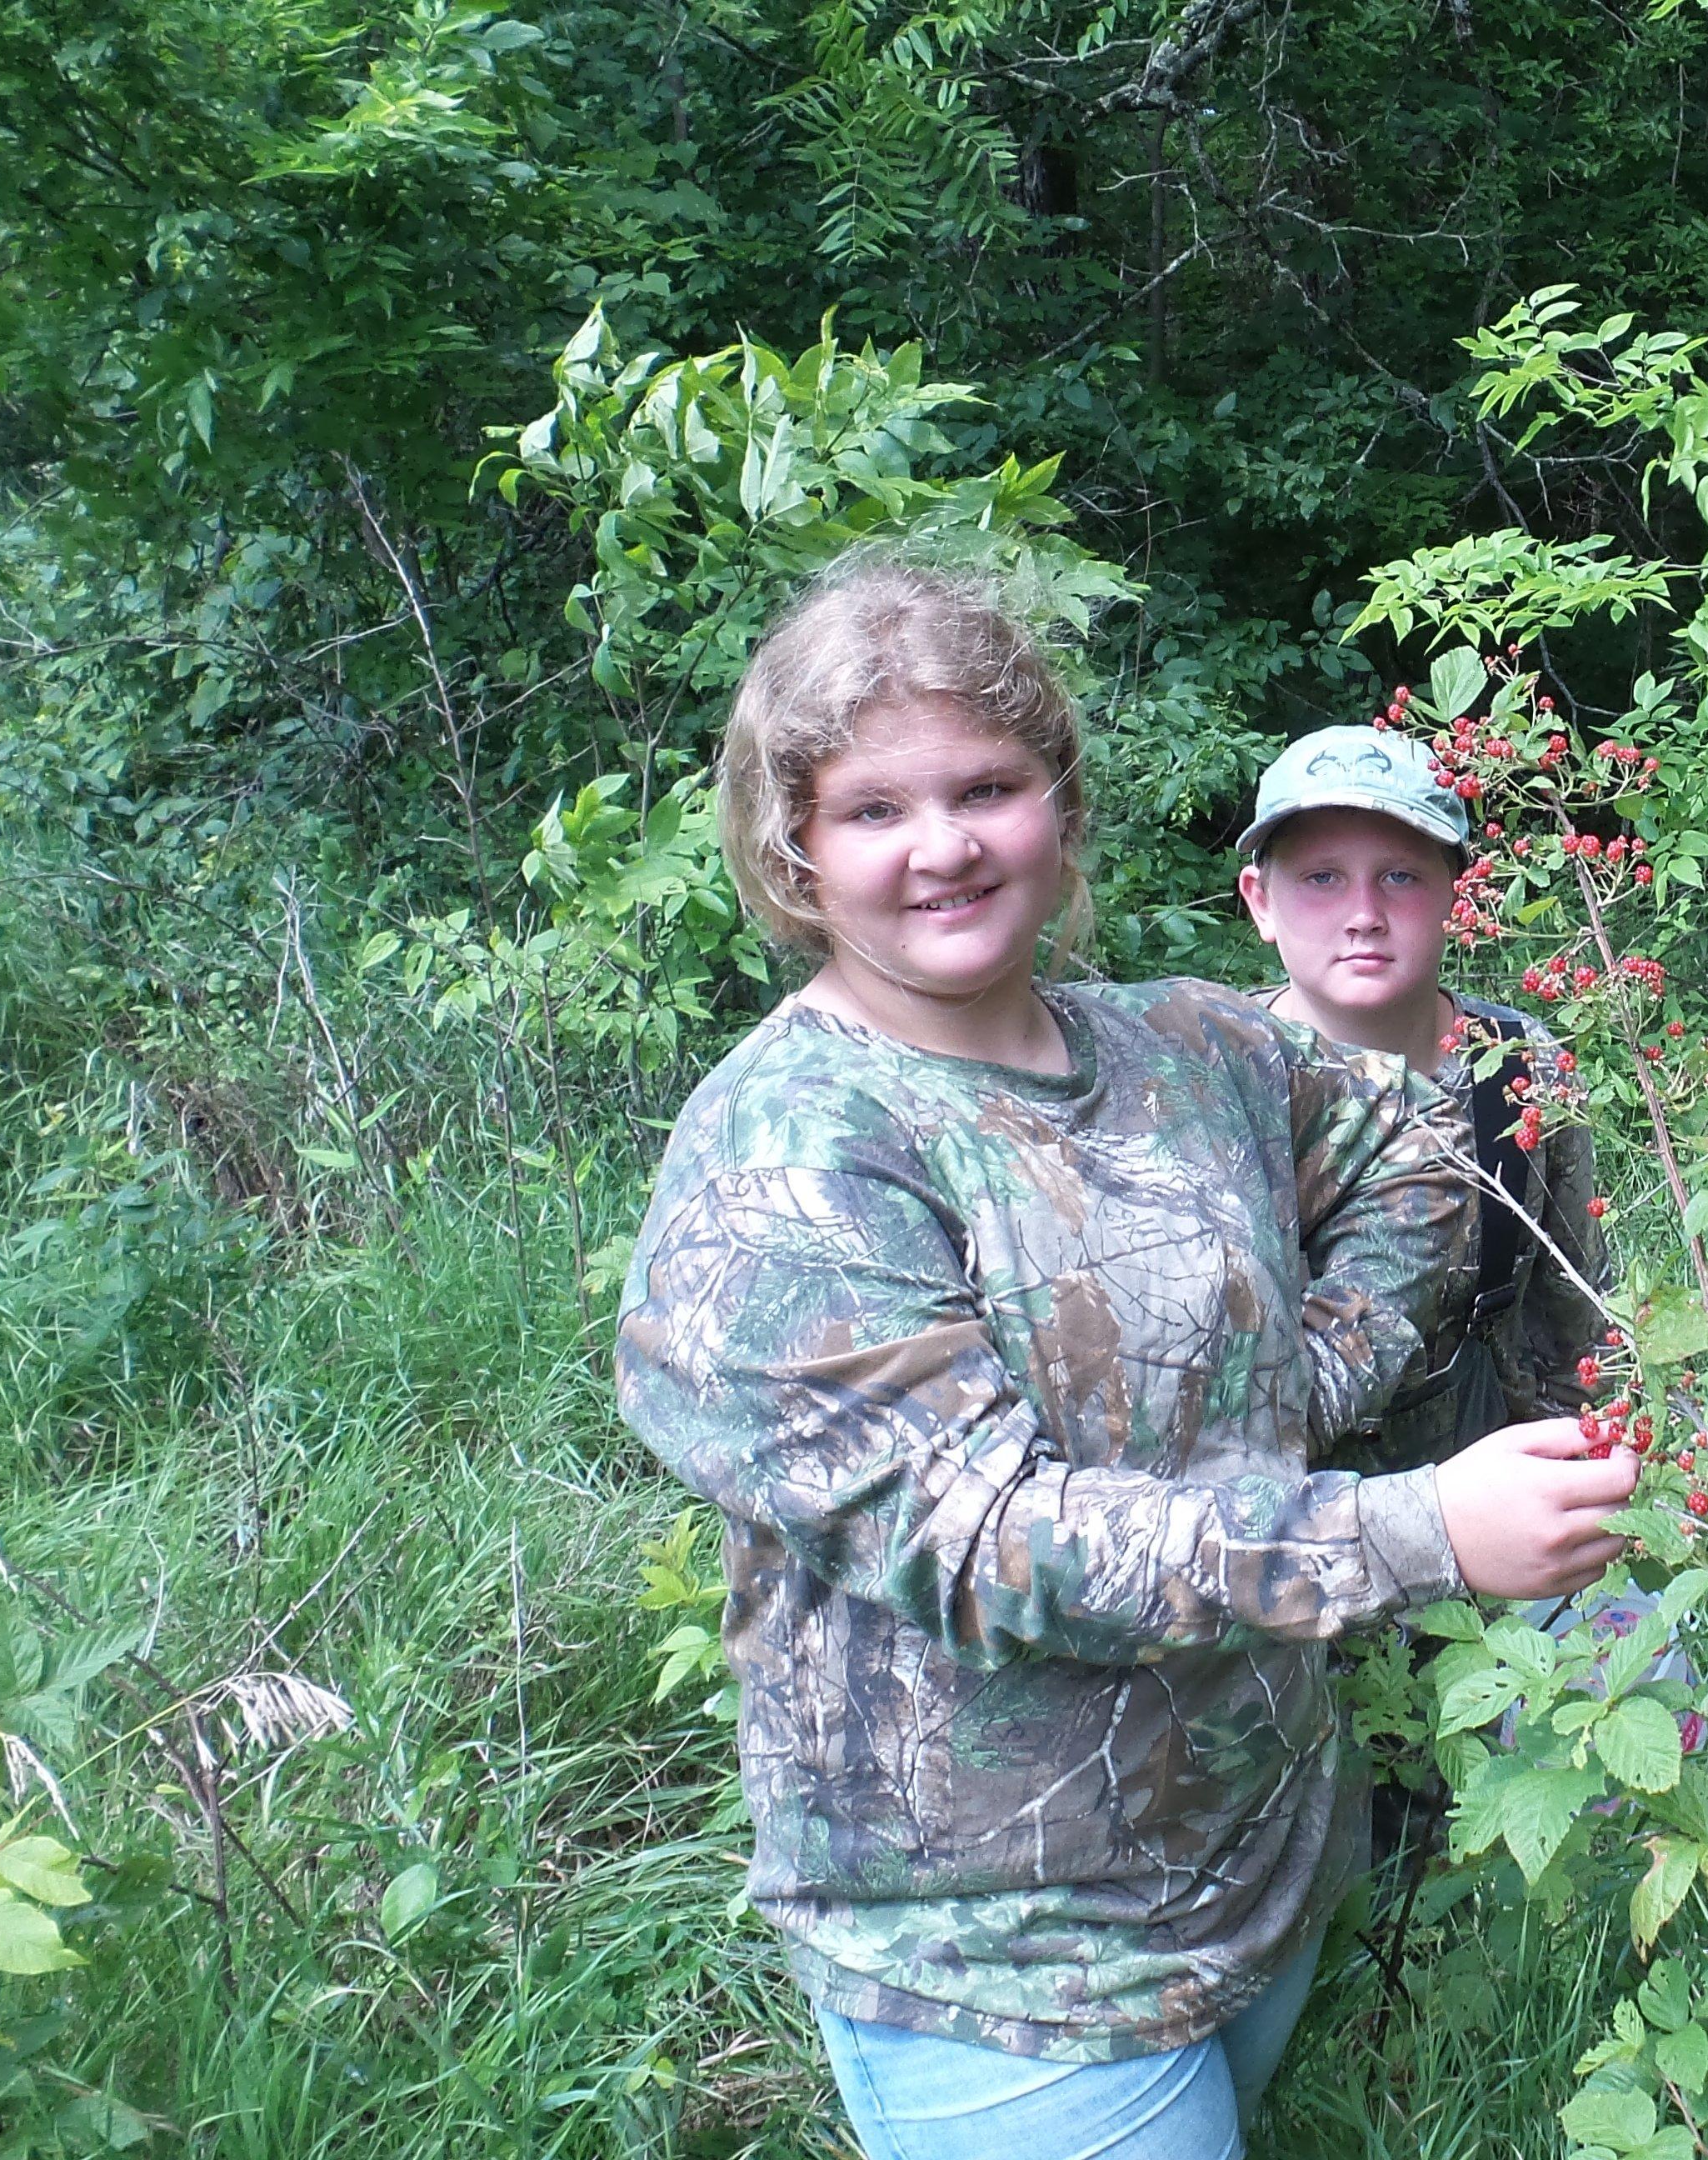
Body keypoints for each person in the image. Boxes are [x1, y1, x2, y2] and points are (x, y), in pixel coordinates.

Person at [612, 559, 1636, 2160]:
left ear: (1060, 809)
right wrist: (1416, 1525)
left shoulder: (1189, 1048)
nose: (942, 845)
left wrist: (1308, 1377)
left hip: (1267, 1862)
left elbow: (1426, 1154)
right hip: (1003, 1966)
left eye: (987, 788)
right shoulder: (790, 1155)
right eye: (875, 808)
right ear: (792, 847)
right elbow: (986, 1539)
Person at [1232, 723, 1612, 1474]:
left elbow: (1578, 1322)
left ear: (1459, 898)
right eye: (1322, 878)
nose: (1364, 913)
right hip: (1269, 1529)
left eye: (1401, 876)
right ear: (1260, 901)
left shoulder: (1521, 1071)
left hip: (1488, 1503)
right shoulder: (1206, 1078)